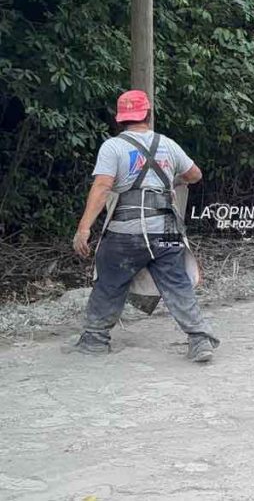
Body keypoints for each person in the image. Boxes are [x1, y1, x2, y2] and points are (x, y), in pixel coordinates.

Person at [69, 90, 219, 362]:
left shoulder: (113, 147)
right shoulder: (168, 144)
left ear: (121, 119)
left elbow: (102, 187)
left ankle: (94, 339)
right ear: (148, 114)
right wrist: (172, 181)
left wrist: (84, 228)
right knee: (177, 283)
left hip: (125, 236)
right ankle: (199, 340)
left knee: (109, 280)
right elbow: (194, 174)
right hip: (166, 232)